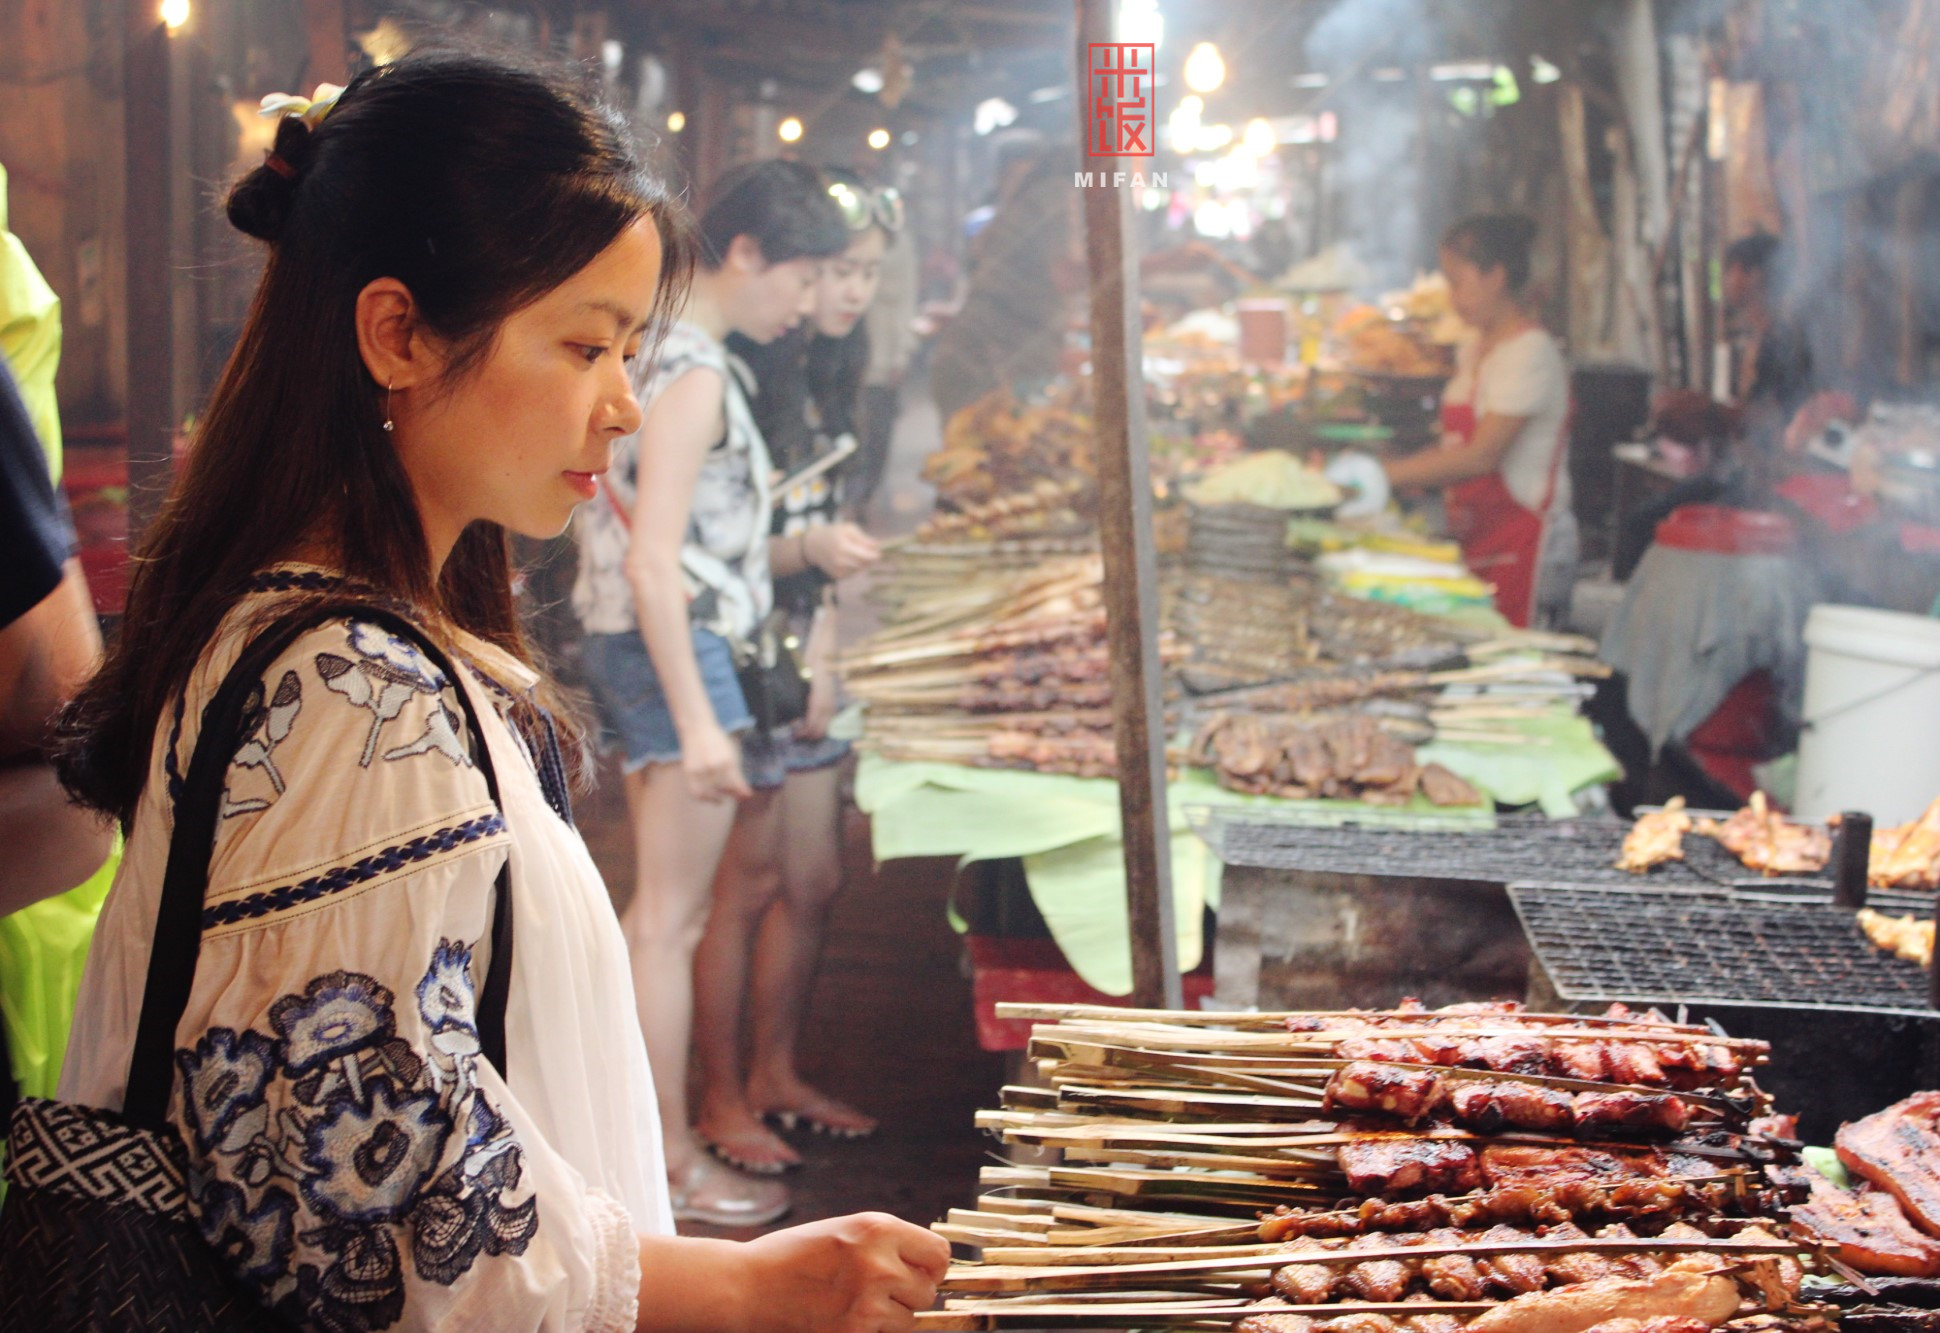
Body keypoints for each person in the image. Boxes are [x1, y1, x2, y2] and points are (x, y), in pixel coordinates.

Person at [45, 52, 945, 1329]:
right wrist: (740, 1287)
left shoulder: (353, 648)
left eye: (629, 348)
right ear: (397, 334)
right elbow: (360, 1215)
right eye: (585, 345)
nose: (624, 404)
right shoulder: (353, 703)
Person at [570, 159, 863, 1226]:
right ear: (744, 254)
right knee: (667, 924)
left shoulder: (652, 348)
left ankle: (662, 1157)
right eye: (801, 278)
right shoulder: (689, 368)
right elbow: (658, 561)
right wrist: (699, 723)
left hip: (655, 644)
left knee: (664, 920)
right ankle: (666, 1165)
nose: (803, 306)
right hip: (674, 651)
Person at [698, 171, 895, 1174]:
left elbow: (817, 529)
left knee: (812, 876)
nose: (850, 291)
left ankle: (773, 1072)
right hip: (740, 653)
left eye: (866, 272)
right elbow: (725, 548)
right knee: (744, 880)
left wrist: (824, 648)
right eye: (835, 270)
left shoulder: (833, 367)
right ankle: (719, 1091)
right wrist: (811, 559)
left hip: (804, 650)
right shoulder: (739, 362)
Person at [1382, 214, 1573, 628]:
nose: (1452, 297)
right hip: (1480, 534)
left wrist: (1386, 474)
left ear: (1496, 276)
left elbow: (1482, 456)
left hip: (1524, 542)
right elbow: (1453, 448)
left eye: (1457, 282)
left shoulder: (1529, 352)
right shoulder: (1475, 349)